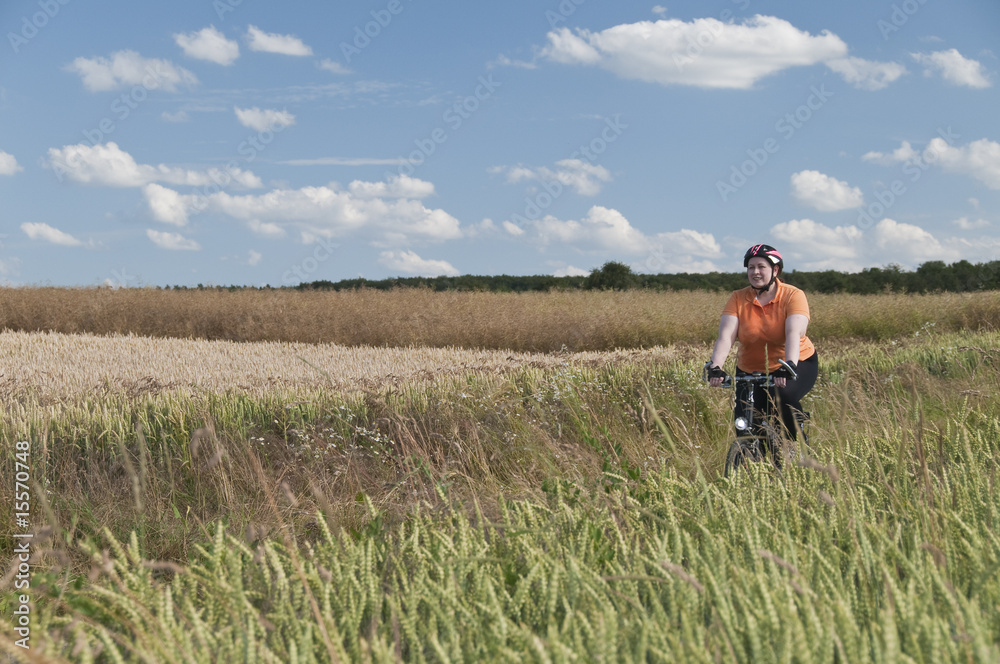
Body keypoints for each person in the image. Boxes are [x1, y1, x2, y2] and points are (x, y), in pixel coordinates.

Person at [706, 244, 818, 452]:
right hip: (750, 368)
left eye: (761, 267)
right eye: (750, 267)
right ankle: (753, 464)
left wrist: (789, 365)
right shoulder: (738, 298)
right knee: (745, 423)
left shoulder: (793, 295)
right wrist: (716, 366)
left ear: (775, 271)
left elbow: (794, 332)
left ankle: (797, 445)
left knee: (782, 397)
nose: (755, 272)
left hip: (795, 362)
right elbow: (726, 336)